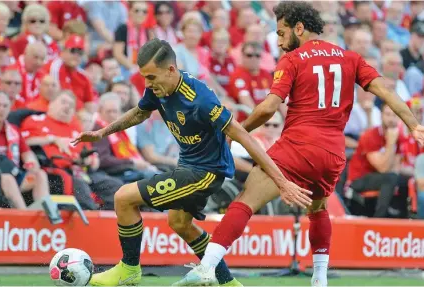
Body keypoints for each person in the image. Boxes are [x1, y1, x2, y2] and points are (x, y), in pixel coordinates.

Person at [174, 2, 424, 287]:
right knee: (318, 209)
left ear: (299, 28)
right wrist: (414, 124)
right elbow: (386, 91)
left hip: (298, 147)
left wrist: (235, 132)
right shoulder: (351, 58)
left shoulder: (294, 59)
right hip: (333, 155)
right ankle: (319, 279)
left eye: (281, 33)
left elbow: (269, 108)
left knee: (245, 201)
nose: (279, 42)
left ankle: (206, 268)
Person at [72, 38, 311, 286]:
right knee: (179, 223)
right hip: (188, 166)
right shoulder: (158, 87)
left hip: (206, 173)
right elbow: (141, 112)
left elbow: (244, 137)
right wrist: (102, 133)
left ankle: (129, 269)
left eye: (151, 77)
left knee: (123, 197)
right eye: (145, 77)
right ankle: (228, 283)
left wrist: (281, 181)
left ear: (171, 70)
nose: (148, 84)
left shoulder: (200, 98)